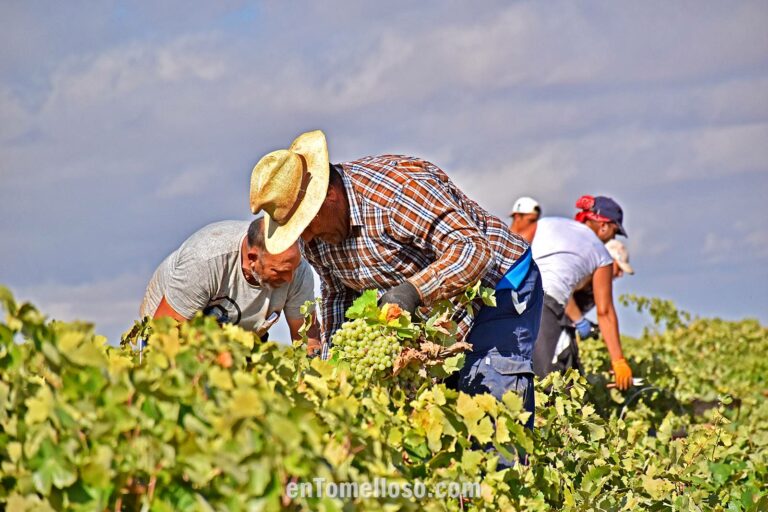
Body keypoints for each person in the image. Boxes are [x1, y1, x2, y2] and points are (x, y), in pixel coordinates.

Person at [249, 130, 544, 430]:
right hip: (440, 311)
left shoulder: (397, 195)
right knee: (441, 415)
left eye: (306, 224)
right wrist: (335, 368)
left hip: (499, 284)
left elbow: (473, 251)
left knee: (490, 404)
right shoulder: (315, 237)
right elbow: (338, 295)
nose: (307, 238)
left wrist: (412, 292)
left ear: (329, 196)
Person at [140, 217, 320, 352]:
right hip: (179, 323)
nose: (289, 279)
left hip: (244, 333)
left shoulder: (298, 271)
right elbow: (163, 331)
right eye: (279, 272)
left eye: (292, 270)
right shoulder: (205, 260)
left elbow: (308, 339)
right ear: (252, 259)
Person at [530, 195, 633, 390]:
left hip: (511, 298)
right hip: (544, 308)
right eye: (614, 232)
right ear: (604, 226)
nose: (612, 238)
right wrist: (618, 361)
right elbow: (605, 312)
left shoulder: (548, 223)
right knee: (555, 390)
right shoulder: (601, 254)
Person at [553, 239, 635, 372]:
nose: (620, 275)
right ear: (608, 260)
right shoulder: (584, 272)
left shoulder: (596, 286)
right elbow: (562, 293)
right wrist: (580, 322)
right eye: (618, 268)